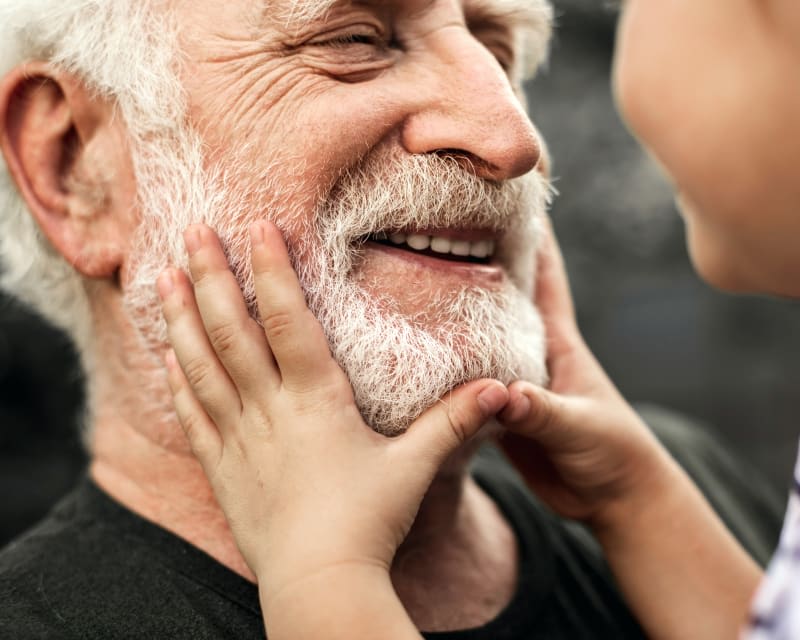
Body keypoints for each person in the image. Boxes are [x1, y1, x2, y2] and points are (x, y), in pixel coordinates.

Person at [0, 0, 781, 638]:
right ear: (73, 164)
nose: (512, 140)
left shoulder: (694, 492)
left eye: (495, 46)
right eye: (356, 38)